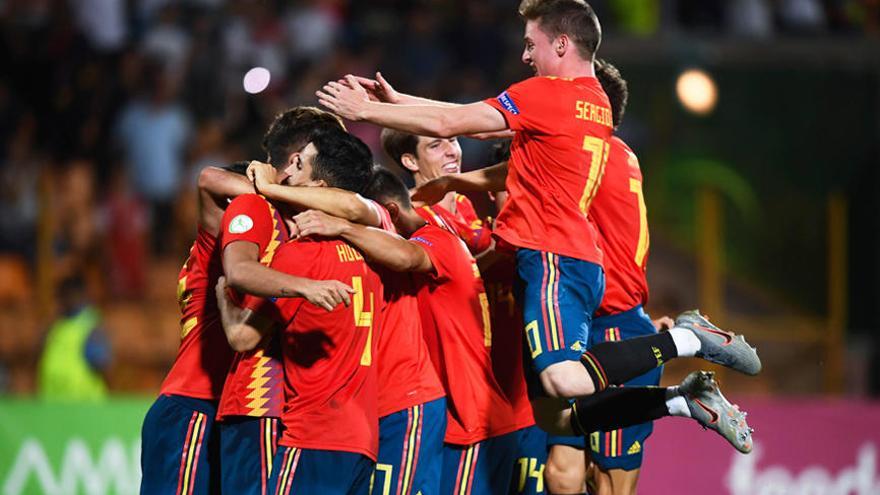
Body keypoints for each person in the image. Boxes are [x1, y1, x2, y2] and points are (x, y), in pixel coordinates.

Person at [319, 0, 760, 435]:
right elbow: (480, 121)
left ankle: (691, 341)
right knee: (557, 406)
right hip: (579, 259)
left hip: (551, 256)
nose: (526, 55)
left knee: (561, 380)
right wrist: (401, 100)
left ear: (563, 43)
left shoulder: (546, 94)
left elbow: (451, 122)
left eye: (532, 44)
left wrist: (367, 112)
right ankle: (681, 397)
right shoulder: (595, 103)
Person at [293, 169, 520, 494]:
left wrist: (344, 226)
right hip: (455, 420)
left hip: (473, 421)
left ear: (391, 214)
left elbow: (404, 255)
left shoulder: (438, 241)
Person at [140, 152, 350, 494]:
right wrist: (270, 193)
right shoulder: (217, 242)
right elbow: (209, 177)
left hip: (220, 408)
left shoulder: (241, 251)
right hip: (194, 402)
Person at [214, 129, 383, 494]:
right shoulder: (373, 253)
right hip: (364, 439)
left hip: (314, 433)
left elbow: (242, 336)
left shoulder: (299, 256)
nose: (288, 172)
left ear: (318, 185)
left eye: (299, 163)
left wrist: (223, 300)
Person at [380, 128, 491, 256]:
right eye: (435, 146)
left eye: (452, 140)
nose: (452, 151)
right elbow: (450, 271)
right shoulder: (415, 218)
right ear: (411, 161)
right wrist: (497, 250)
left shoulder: (462, 202)